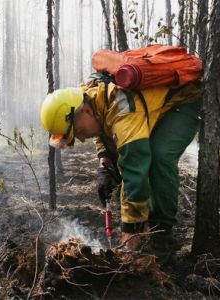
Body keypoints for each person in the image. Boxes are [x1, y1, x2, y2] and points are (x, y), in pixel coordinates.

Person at [40, 77, 202, 252]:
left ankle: (161, 233)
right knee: (126, 166)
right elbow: (101, 126)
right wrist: (105, 163)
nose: (80, 138)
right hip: (151, 109)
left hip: (182, 102)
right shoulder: (87, 97)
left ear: (86, 110)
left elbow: (134, 170)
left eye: (78, 131)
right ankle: (141, 223)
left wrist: (130, 232)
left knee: (158, 157)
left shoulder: (123, 112)